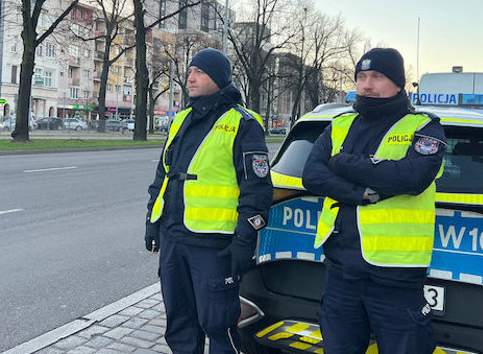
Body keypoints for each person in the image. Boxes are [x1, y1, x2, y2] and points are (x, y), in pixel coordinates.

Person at [302, 48, 446, 354]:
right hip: (341, 270)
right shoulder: (340, 123)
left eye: (377, 77)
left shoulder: (422, 127)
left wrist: (343, 163)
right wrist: (360, 193)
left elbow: (412, 178)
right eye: (361, 77)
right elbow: (312, 174)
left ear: (398, 84)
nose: (367, 84)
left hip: (395, 275)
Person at [144, 47, 273, 353]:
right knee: (179, 323)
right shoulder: (182, 118)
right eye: (189, 72)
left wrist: (245, 239)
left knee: (218, 325)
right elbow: (163, 174)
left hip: (214, 245)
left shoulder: (242, 122)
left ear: (218, 77)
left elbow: (257, 188)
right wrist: (152, 221)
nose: (190, 78)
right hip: (174, 238)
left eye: (199, 72)